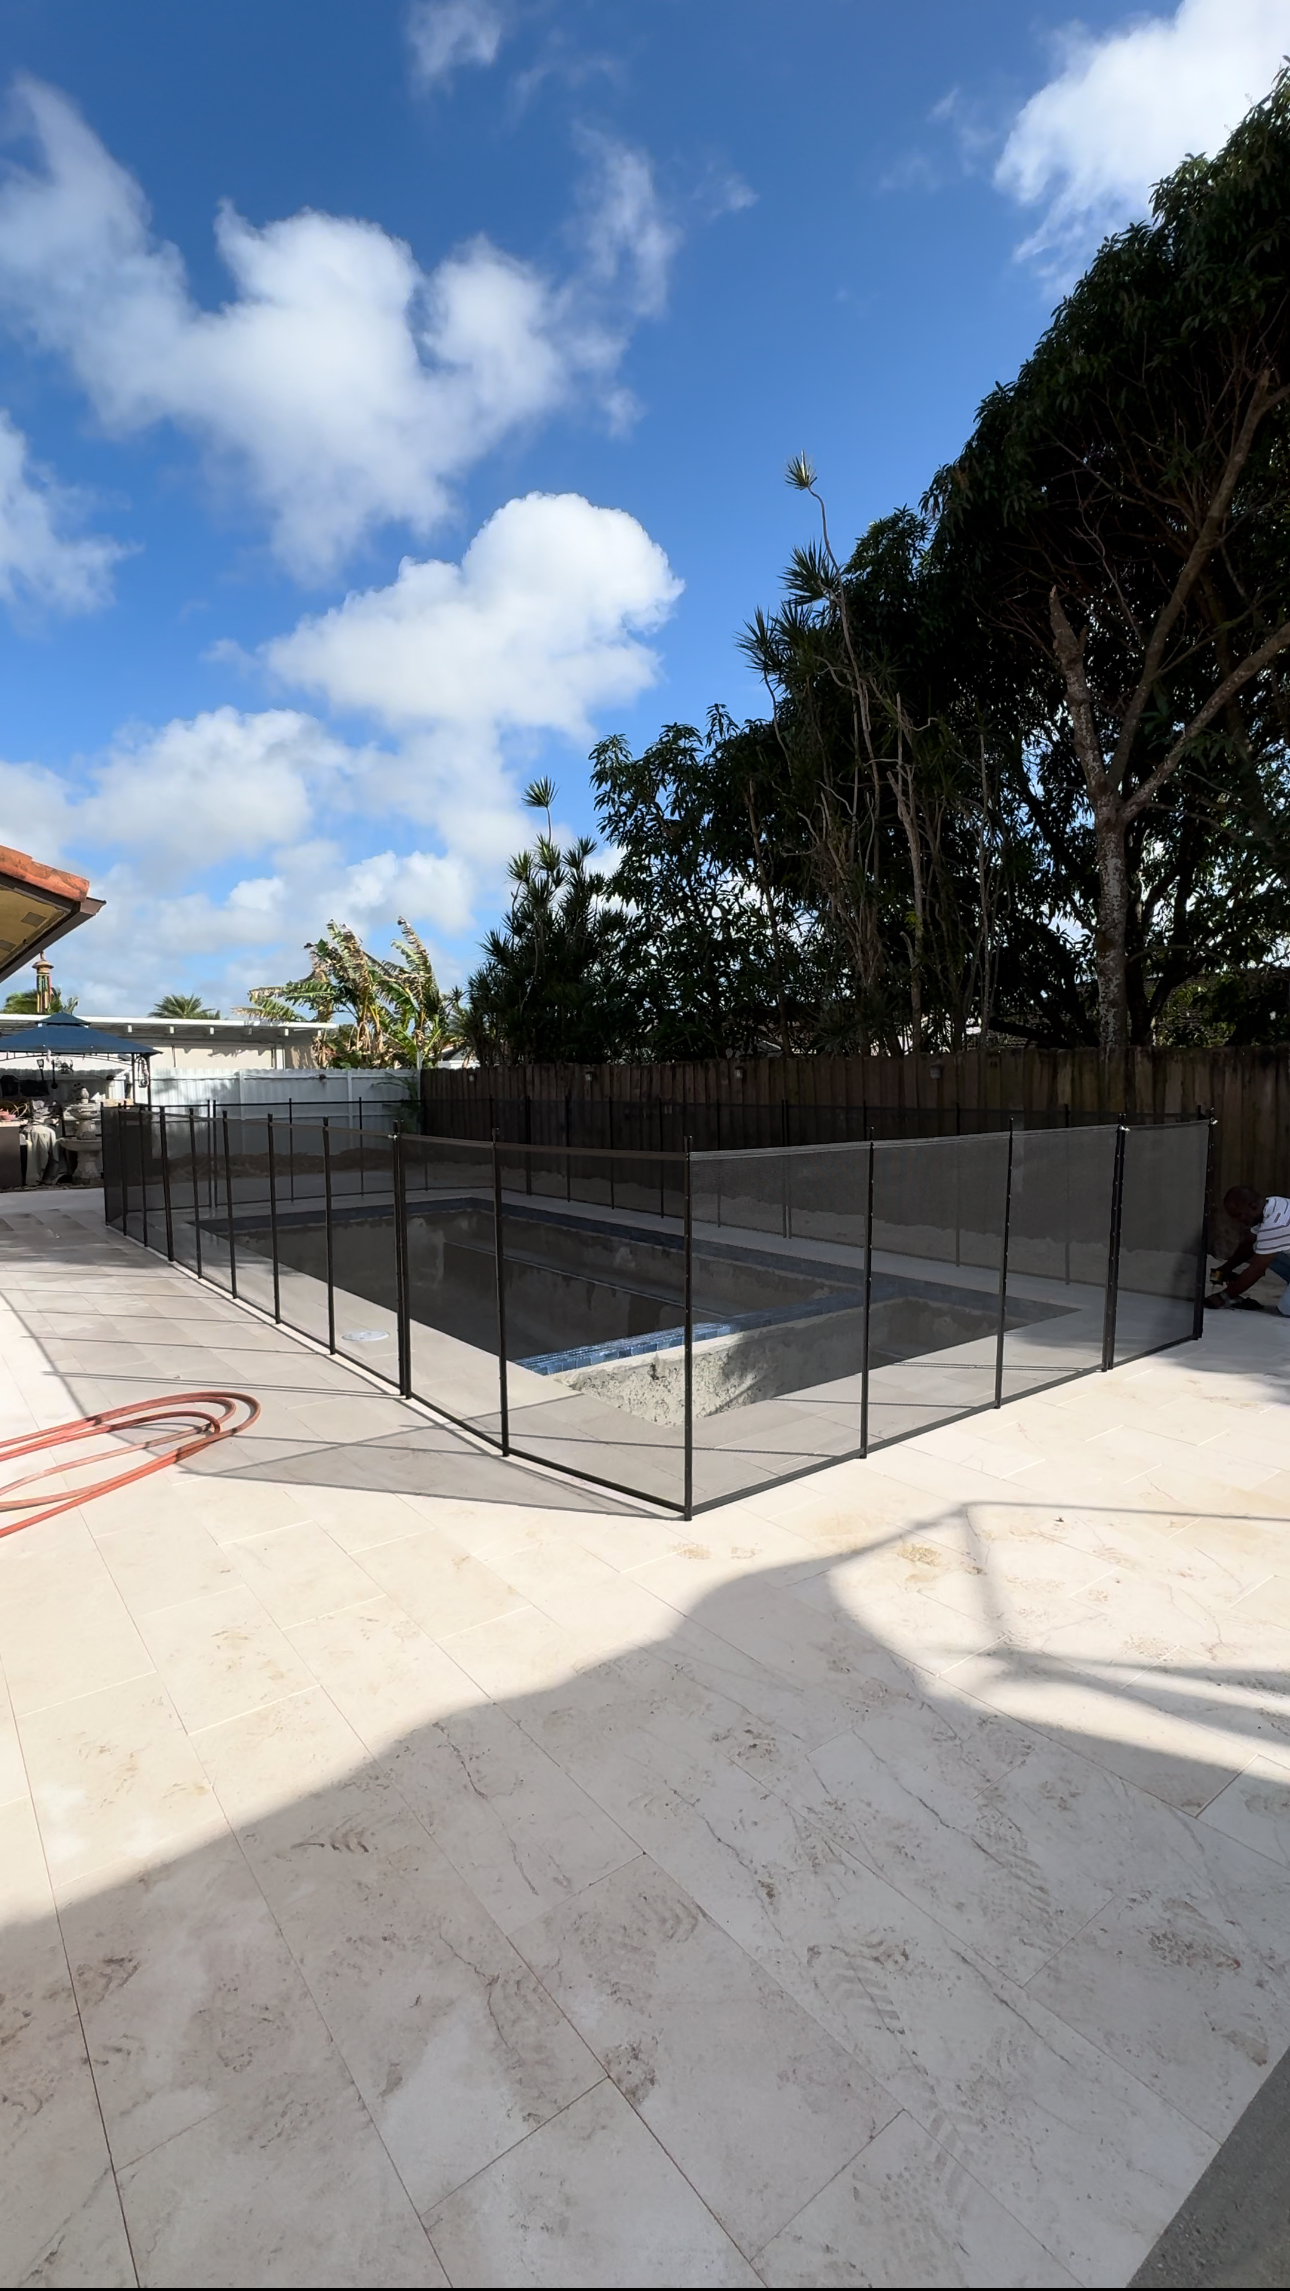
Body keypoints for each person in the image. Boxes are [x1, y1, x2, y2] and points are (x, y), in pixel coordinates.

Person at [1208, 1186, 1290, 1314]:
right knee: (1260, 1246)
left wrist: (1224, 1296)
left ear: (1252, 1205)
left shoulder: (1277, 1223)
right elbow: (1248, 1244)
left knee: (1286, 1308)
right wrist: (1226, 1268)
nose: (1238, 1221)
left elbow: (1256, 1270)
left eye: (1238, 1215)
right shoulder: (1271, 1204)